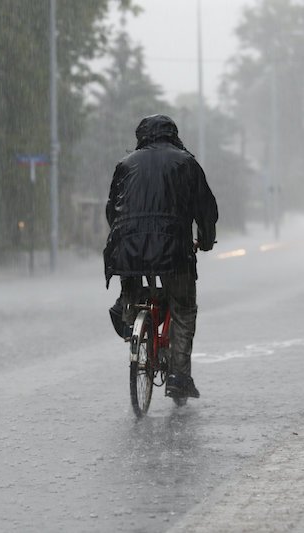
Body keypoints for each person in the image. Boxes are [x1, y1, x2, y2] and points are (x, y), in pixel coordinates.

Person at [104, 114, 218, 400]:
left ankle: (132, 317)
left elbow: (111, 209)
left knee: (131, 286)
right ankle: (179, 377)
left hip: (128, 248)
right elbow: (205, 208)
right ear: (172, 134)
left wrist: (123, 236)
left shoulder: (126, 164)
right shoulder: (186, 162)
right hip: (174, 249)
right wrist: (204, 240)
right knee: (183, 308)